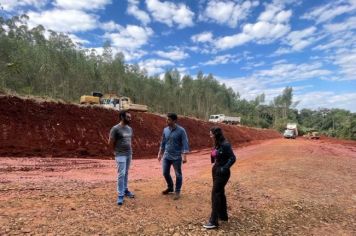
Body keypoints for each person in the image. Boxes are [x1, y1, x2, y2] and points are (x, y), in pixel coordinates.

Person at [203, 127, 236, 229]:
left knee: (215, 194)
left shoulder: (225, 144)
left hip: (222, 172)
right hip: (216, 169)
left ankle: (213, 221)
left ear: (216, 134)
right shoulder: (217, 144)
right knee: (220, 193)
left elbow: (233, 158)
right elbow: (216, 156)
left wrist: (224, 168)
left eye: (211, 134)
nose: (210, 135)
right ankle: (223, 216)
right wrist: (213, 156)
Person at [157, 113, 189, 200]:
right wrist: (160, 153)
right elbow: (163, 142)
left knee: (178, 175)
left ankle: (177, 191)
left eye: (169, 120)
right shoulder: (165, 130)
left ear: (174, 121)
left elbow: (185, 143)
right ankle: (170, 187)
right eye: (166, 119)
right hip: (167, 156)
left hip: (176, 157)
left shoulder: (181, 131)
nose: (166, 121)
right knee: (165, 173)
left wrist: (184, 155)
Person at [108, 110, 135, 205]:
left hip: (128, 154)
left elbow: (129, 140)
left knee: (126, 173)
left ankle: (125, 189)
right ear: (122, 117)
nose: (130, 119)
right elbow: (110, 142)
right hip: (120, 154)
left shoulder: (129, 129)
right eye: (128, 117)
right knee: (121, 174)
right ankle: (120, 195)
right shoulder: (115, 129)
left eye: (130, 117)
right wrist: (115, 151)